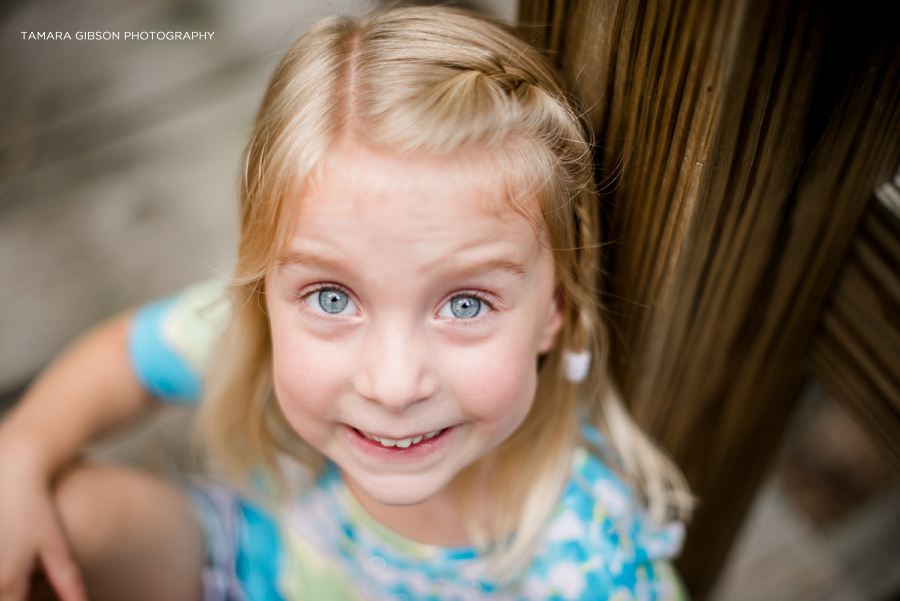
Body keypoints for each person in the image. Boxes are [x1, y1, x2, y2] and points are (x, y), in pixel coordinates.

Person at [0, 6, 694, 601]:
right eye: (332, 295)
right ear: (266, 288)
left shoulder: (592, 568)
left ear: (555, 312)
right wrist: (21, 450)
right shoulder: (260, 332)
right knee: (47, 519)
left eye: (466, 304)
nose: (392, 385)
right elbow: (127, 354)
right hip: (250, 565)